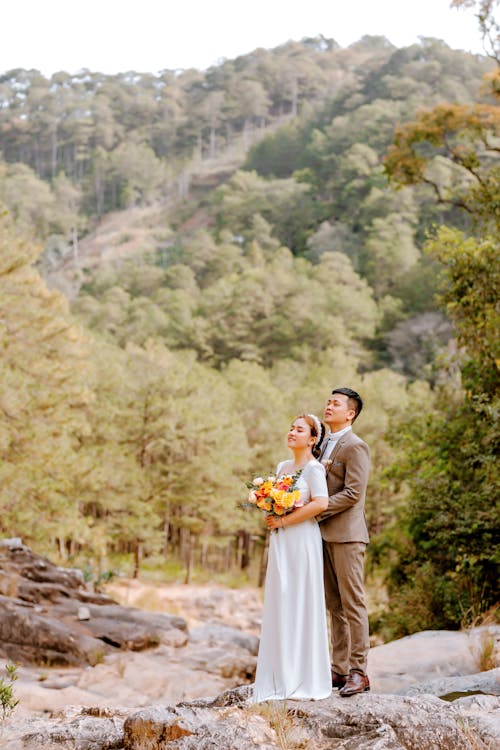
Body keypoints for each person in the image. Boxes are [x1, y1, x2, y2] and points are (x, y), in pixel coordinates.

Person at [252, 414, 332, 703]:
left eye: (299, 430)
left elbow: (321, 503)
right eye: (290, 428)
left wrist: (285, 521)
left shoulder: (314, 469)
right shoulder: (282, 467)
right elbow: (276, 501)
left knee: (300, 599)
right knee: (281, 599)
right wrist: (270, 509)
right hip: (281, 541)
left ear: (312, 439)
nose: (292, 432)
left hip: (301, 540)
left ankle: (303, 676)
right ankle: (279, 674)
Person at [318, 387, 371, 697]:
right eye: (328, 401)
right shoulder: (324, 443)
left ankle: (359, 672)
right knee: (334, 606)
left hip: (348, 536)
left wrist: (316, 509)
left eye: (335, 404)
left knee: (353, 605)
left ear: (349, 413)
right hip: (322, 535)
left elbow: (353, 494)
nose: (329, 406)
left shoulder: (356, 446)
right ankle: (338, 670)